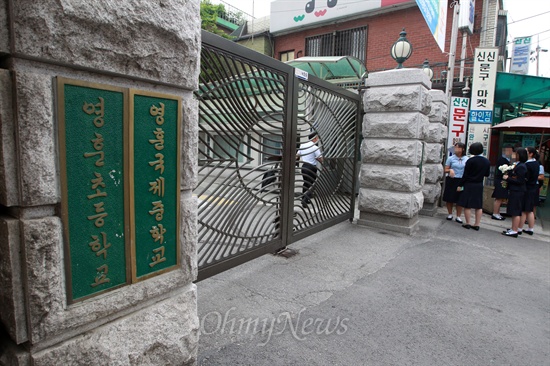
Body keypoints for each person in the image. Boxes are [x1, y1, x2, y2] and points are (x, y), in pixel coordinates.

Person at [456, 142, 490, 230]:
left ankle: (468, 223)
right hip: (479, 184)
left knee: (468, 204)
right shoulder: (486, 161)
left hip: (469, 184)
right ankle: (477, 224)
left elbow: (465, 175)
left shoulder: (470, 161)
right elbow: (487, 174)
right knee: (478, 205)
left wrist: (460, 184)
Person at [501, 147, 528, 237]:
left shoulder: (522, 167)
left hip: (518, 191)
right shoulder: (518, 165)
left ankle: (515, 230)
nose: (514, 155)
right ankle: (513, 228)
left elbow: (520, 181)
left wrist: (508, 178)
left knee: (516, 210)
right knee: (513, 210)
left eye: (516, 154)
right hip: (515, 190)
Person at [517, 147, 541, 235]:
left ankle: (519, 228)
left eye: (526, 152)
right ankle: (531, 228)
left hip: (527, 188)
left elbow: (525, 178)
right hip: (533, 188)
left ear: (530, 154)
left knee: (523, 209)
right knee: (529, 210)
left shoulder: (527, 165)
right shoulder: (536, 163)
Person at [443, 142, 468, 223]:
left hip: (462, 180)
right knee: (449, 197)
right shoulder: (451, 158)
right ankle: (450, 214)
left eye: (457, 148)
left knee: (460, 198)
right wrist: (450, 170)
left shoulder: (466, 159)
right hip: (452, 179)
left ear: (462, 149)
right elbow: (445, 169)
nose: (455, 149)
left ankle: (458, 216)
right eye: (455, 147)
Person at [296, 132, 323, 208]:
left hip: (304, 167)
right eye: (317, 138)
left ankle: (305, 198)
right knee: (312, 185)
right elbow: (319, 158)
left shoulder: (302, 145)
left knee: (305, 183)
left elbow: (297, 156)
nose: (317, 139)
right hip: (311, 168)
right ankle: (304, 200)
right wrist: (322, 162)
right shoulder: (314, 147)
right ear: (314, 138)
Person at [491, 144, 514, 220]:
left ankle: (497, 212)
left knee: (500, 197)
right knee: (499, 197)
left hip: (503, 180)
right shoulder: (502, 159)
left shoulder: (508, 159)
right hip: (501, 180)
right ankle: (495, 213)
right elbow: (501, 171)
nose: (510, 152)